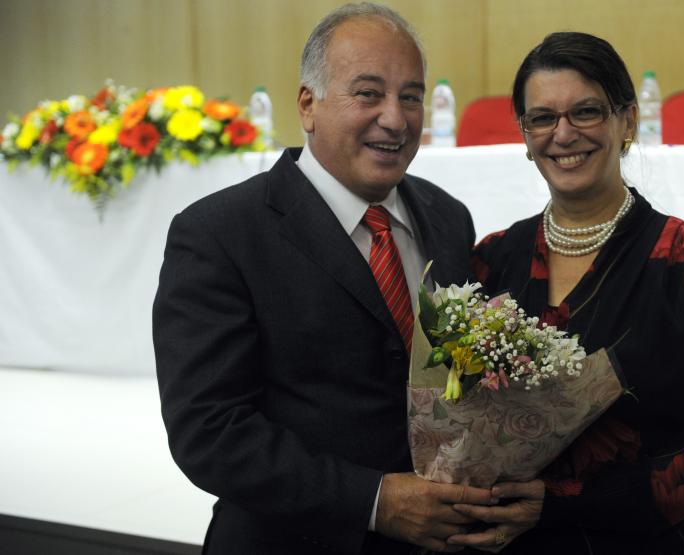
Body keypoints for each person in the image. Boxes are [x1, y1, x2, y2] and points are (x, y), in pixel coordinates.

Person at [152, 4, 491, 554]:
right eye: (368, 93)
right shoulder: (219, 233)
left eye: (411, 96)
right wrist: (375, 501)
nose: (396, 118)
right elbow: (209, 432)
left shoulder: (448, 217)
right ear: (308, 105)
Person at [448, 32, 684, 553]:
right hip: (510, 539)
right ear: (525, 137)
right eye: (542, 118)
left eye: (586, 112)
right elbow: (455, 407)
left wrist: (562, 503)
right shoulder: (492, 260)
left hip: (653, 536)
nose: (563, 134)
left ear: (628, 122)